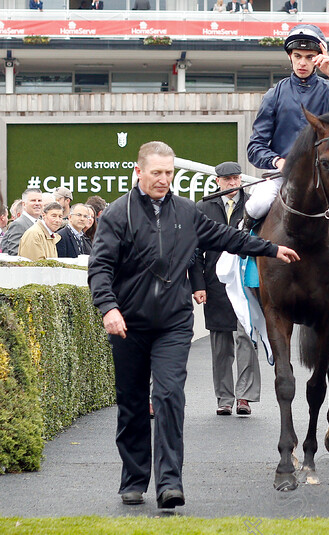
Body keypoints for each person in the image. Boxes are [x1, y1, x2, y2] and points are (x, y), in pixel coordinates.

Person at [88, 141, 300, 510]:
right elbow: (100, 267)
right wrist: (108, 307)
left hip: (173, 323)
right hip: (129, 325)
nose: (163, 179)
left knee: (169, 397)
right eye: (156, 173)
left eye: (169, 173)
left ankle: (170, 482)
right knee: (133, 404)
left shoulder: (187, 210)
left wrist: (269, 249)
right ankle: (134, 480)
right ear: (139, 172)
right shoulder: (117, 215)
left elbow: (225, 237)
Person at [246, 25, 329, 221]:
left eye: (309, 57)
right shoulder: (274, 94)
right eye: (297, 56)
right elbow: (255, 147)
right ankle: (238, 250)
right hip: (281, 177)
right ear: (290, 57)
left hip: (322, 178)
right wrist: (278, 161)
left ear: (319, 58)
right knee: (256, 206)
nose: (302, 63)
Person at [189, 162, 262, 417]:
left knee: (246, 338)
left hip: (246, 282)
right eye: (227, 179)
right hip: (215, 283)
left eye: (236, 178)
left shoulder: (255, 205)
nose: (232, 183)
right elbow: (195, 250)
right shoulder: (203, 207)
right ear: (217, 181)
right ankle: (224, 398)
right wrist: (198, 285)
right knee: (220, 342)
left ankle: (245, 396)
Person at [1, 188, 43, 257]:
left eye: (39, 200)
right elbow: (15, 253)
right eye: (33, 200)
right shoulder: (18, 224)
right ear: (24, 204)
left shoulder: (41, 223)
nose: (37, 203)